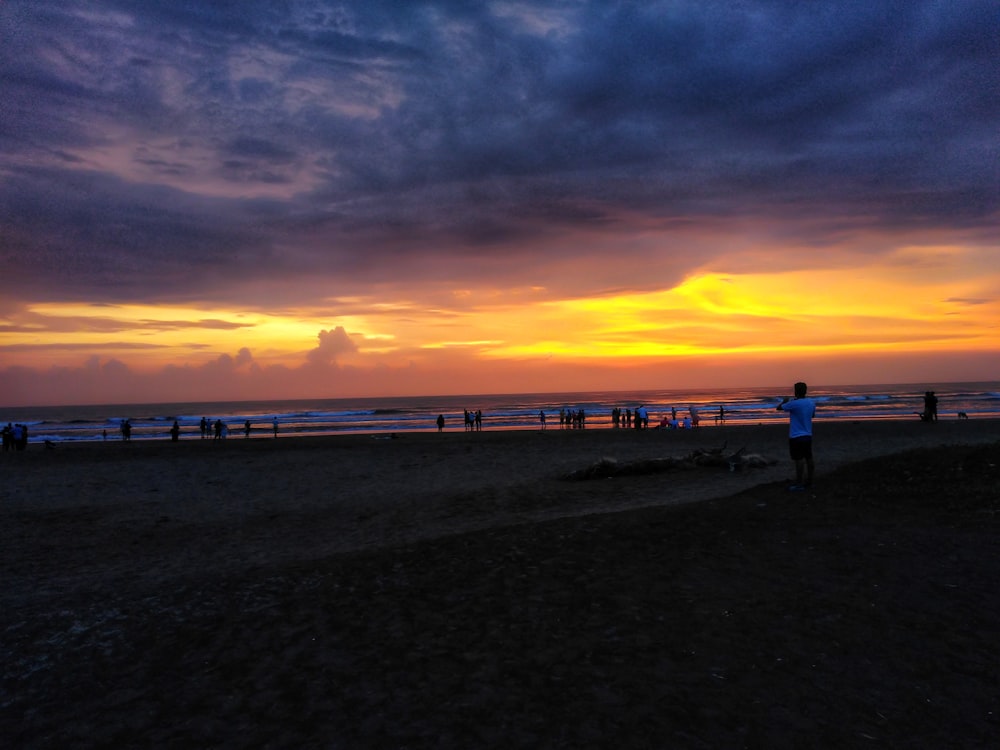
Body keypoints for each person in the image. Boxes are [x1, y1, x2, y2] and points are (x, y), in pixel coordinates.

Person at [776, 382, 816, 491]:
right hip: (808, 434)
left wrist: (784, 401)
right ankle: (810, 481)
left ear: (795, 391)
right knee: (809, 458)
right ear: (805, 391)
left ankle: (799, 483)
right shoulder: (811, 403)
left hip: (796, 436)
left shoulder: (794, 404)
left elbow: (779, 408)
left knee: (799, 460)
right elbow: (812, 415)